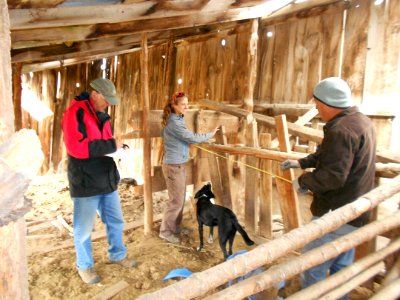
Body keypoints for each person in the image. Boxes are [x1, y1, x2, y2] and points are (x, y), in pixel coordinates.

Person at [281, 77, 376, 299]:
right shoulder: (360, 121)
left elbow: (333, 176)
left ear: (327, 104)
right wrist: (301, 162)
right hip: (356, 213)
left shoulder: (341, 130)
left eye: (317, 103)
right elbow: (329, 155)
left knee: (312, 265)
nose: (316, 107)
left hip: (336, 214)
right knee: (341, 266)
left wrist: (303, 181)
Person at [62, 78, 137, 284]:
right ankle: (84, 266)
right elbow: (77, 148)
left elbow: (103, 145)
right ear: (95, 94)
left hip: (106, 177)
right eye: (107, 99)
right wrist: (112, 145)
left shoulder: (101, 114)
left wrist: (119, 149)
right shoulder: (75, 113)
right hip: (86, 180)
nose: (110, 104)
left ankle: (118, 255)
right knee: (84, 229)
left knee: (115, 221)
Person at [159, 91, 219, 244]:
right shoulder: (174, 122)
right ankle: (165, 232)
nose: (186, 107)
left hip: (178, 164)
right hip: (173, 166)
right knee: (176, 201)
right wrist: (209, 134)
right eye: (183, 104)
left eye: (187, 104)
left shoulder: (177, 119)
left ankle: (175, 227)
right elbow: (191, 138)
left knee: (179, 198)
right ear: (175, 106)